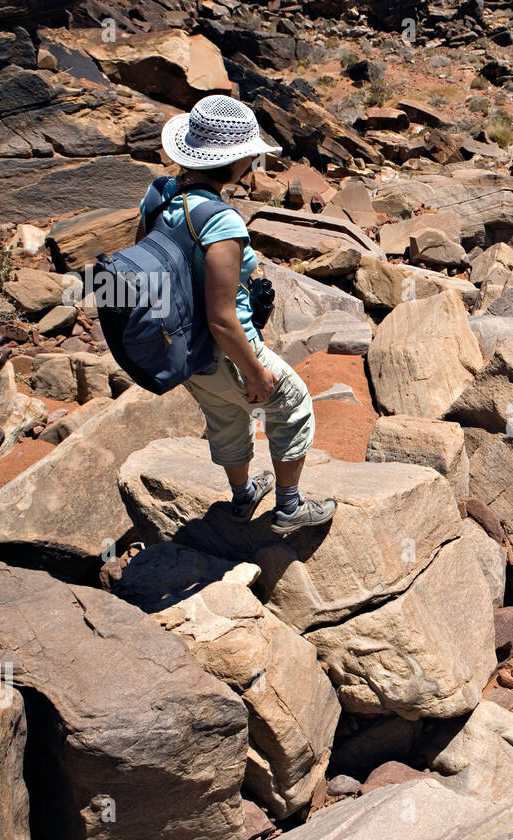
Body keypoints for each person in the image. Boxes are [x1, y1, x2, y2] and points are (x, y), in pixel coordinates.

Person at [138, 94, 336, 534]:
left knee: (226, 416)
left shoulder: (159, 197)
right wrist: (254, 370)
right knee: (293, 404)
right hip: (225, 346)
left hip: (181, 347)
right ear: (240, 159)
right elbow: (223, 317)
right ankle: (289, 507)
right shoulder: (220, 220)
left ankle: (244, 497)